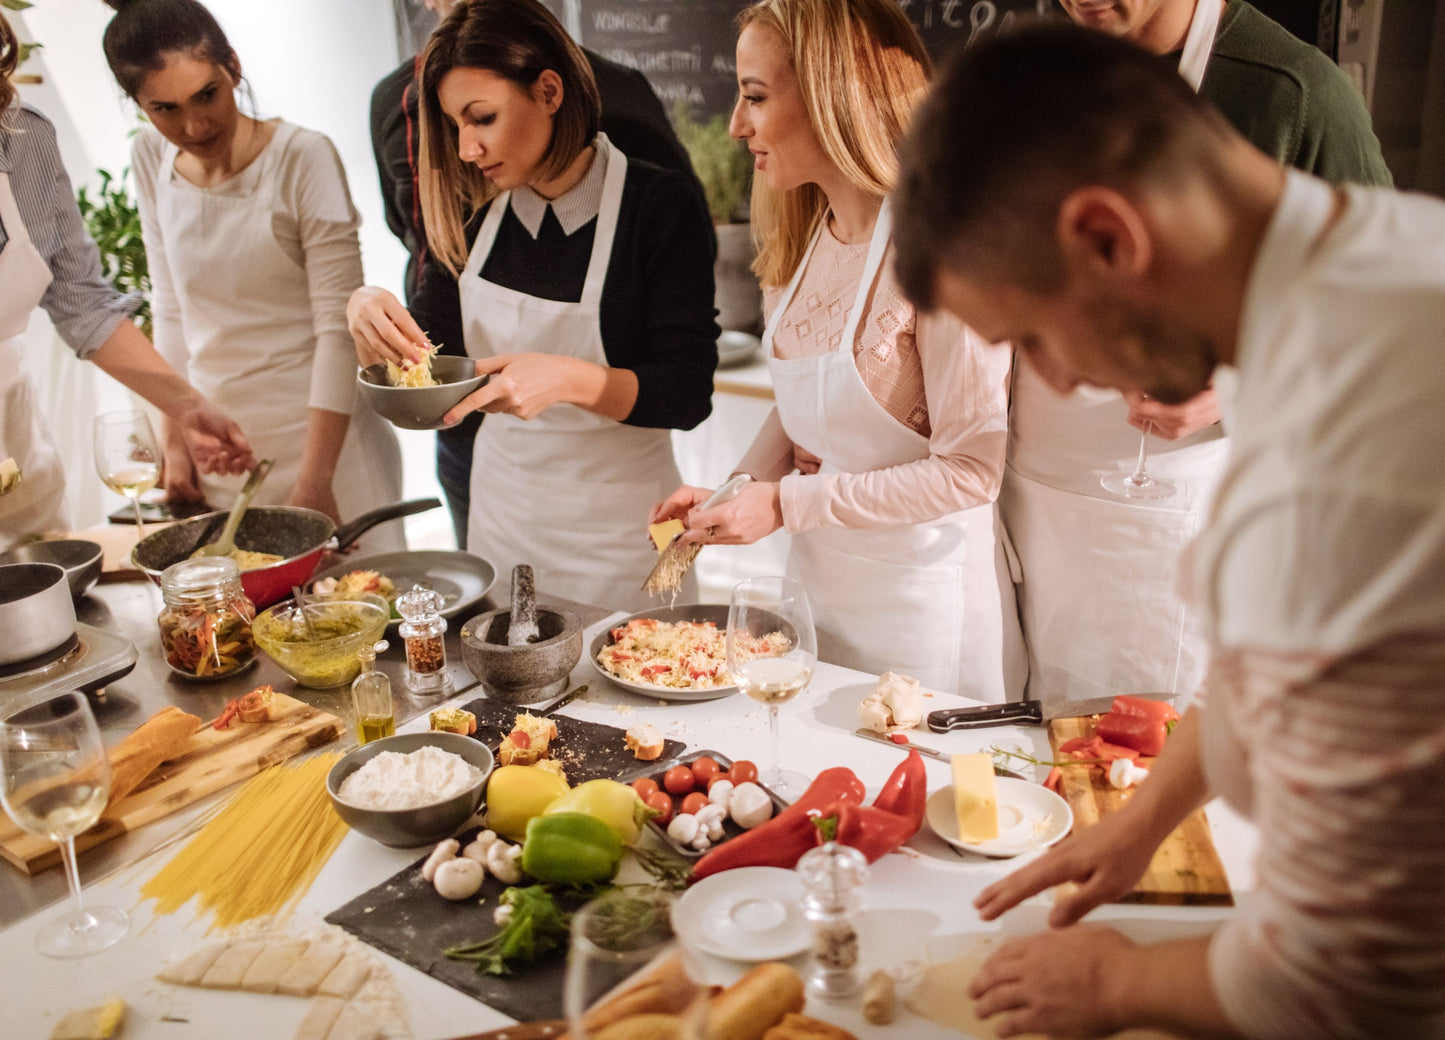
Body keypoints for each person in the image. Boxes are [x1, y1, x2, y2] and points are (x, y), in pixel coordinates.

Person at [894, 22, 1445, 1040]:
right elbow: (1252, 666)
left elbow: (1351, 985)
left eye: (1029, 338)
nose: (1047, 382)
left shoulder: (1351, 443)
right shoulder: (1366, 271)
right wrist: (1145, 819)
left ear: (1107, 238)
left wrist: (1109, 984)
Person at [999, 0, 1392, 704]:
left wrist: (1237, 387)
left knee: (1145, 769)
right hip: (1032, 506)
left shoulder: (1289, 93)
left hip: (1179, 520)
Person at [652, 0, 1022, 698]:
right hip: (821, 594)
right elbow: (801, 410)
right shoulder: (801, 240)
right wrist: (733, 495)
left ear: (833, 96)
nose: (736, 125)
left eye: (755, 97)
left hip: (925, 612)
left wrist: (786, 505)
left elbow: (973, 471)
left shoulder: (943, 247)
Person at [347, 0, 717, 609]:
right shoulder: (475, 209)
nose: (467, 148)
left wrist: (571, 379)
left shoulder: (658, 204)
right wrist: (369, 311)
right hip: (506, 518)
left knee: (653, 671)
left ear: (548, 91)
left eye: (482, 118)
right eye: (455, 125)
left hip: (637, 526)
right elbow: (437, 354)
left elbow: (687, 392)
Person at [101, 0, 404, 542]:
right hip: (224, 450)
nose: (193, 125)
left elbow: (336, 328)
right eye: (164, 109)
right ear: (138, 107)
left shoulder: (302, 157)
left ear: (233, 68)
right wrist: (176, 439)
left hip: (328, 446)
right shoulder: (151, 158)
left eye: (206, 95)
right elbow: (170, 306)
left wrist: (316, 480)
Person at [0, 10, 252, 550]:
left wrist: (188, 408)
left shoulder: (23, 139)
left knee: (41, 585)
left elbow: (79, 300)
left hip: (10, 418)